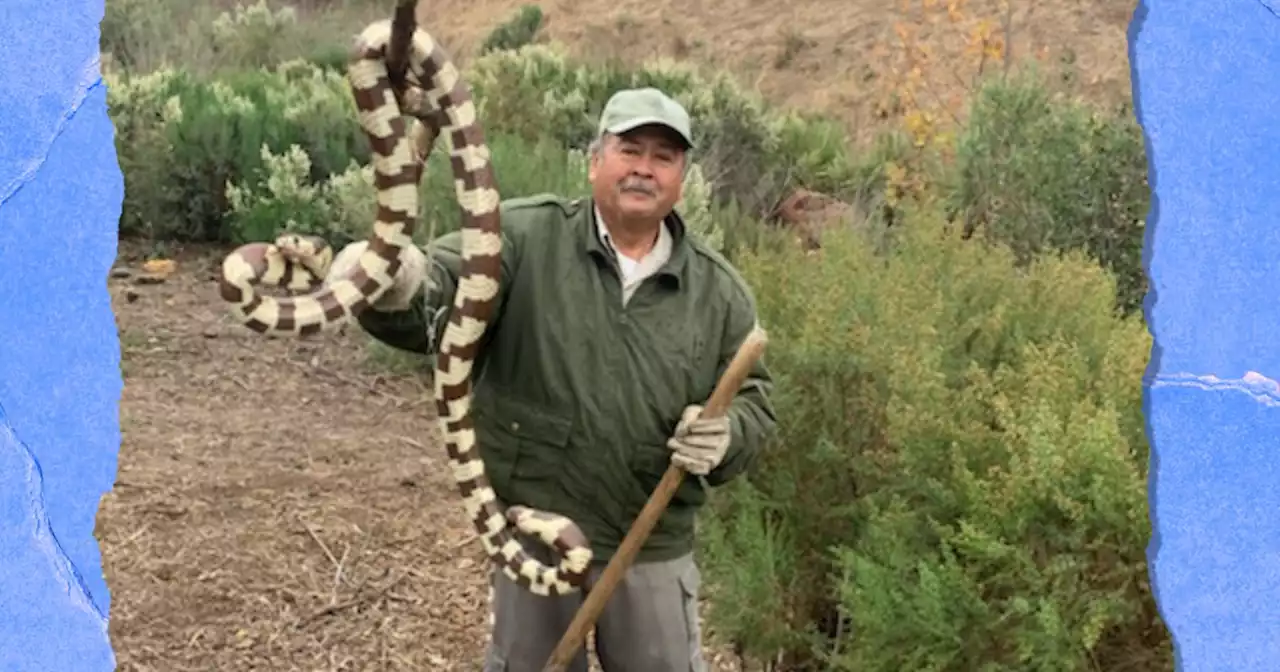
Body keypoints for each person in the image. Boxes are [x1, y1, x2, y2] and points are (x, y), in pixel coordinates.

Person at [326, 87, 778, 671]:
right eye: (629, 149)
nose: (644, 168)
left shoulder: (719, 292)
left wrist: (727, 432)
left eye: (663, 157)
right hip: (536, 536)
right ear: (594, 161)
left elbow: (756, 401)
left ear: (682, 177)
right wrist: (401, 283)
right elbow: (443, 293)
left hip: (650, 545)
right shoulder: (523, 236)